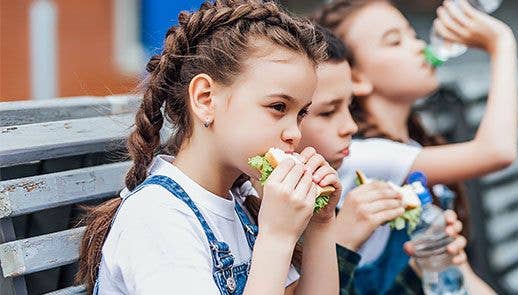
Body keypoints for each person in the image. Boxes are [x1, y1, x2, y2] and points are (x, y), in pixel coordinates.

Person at [76, 1, 341, 294]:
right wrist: (276, 237)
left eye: (301, 113)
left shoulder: (241, 203)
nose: (294, 133)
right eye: (278, 107)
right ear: (205, 99)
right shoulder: (157, 219)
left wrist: (321, 223)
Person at [313, 0, 518, 293]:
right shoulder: (360, 155)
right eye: (395, 41)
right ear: (355, 77)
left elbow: (463, 277)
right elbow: (498, 151)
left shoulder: (407, 146)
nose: (419, 46)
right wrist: (501, 44)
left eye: (412, 34)